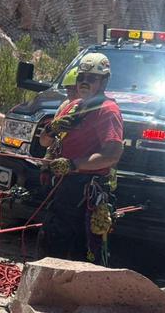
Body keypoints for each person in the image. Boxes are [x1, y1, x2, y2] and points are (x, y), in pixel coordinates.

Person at [39, 52, 123, 265]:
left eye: (91, 78)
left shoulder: (108, 111)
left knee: (79, 250)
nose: (84, 82)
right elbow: (44, 143)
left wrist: (73, 164)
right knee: (51, 240)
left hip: (86, 191)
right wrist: (51, 129)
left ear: (103, 81)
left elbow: (111, 155)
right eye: (81, 77)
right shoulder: (73, 106)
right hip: (63, 186)